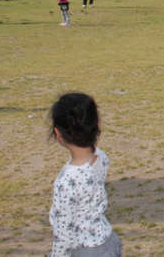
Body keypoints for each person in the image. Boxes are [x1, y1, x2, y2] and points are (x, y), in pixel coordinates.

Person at [48, 93, 122, 256]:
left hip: (84, 249)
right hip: (107, 241)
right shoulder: (101, 157)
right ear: (97, 124)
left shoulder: (67, 180)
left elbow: (63, 232)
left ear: (58, 133)